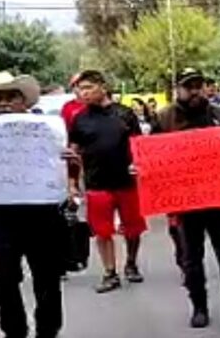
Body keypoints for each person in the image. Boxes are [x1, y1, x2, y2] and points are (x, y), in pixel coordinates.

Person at [155, 68, 220, 330]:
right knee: (192, 257)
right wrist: (141, 169)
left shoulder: (217, 114)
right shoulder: (165, 118)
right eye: (188, 86)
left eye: (198, 86)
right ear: (178, 89)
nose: (194, 91)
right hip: (186, 203)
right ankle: (198, 306)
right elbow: (152, 156)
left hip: (219, 200)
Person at [0, 71, 71, 338]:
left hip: (42, 217)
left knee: (47, 281)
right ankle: (14, 331)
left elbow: (67, 174)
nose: (5, 102)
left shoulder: (47, 131)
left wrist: (68, 162)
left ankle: (47, 331)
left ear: (24, 102)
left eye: (11, 96)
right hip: (2, 220)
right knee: (3, 280)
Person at [68, 70, 147, 293]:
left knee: (133, 229)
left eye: (87, 88)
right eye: (80, 89)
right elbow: (73, 152)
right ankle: (110, 273)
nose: (82, 93)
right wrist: (72, 181)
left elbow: (139, 146)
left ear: (102, 87)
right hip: (96, 184)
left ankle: (131, 262)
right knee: (102, 231)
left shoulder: (125, 115)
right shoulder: (79, 119)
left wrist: (139, 165)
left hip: (126, 182)